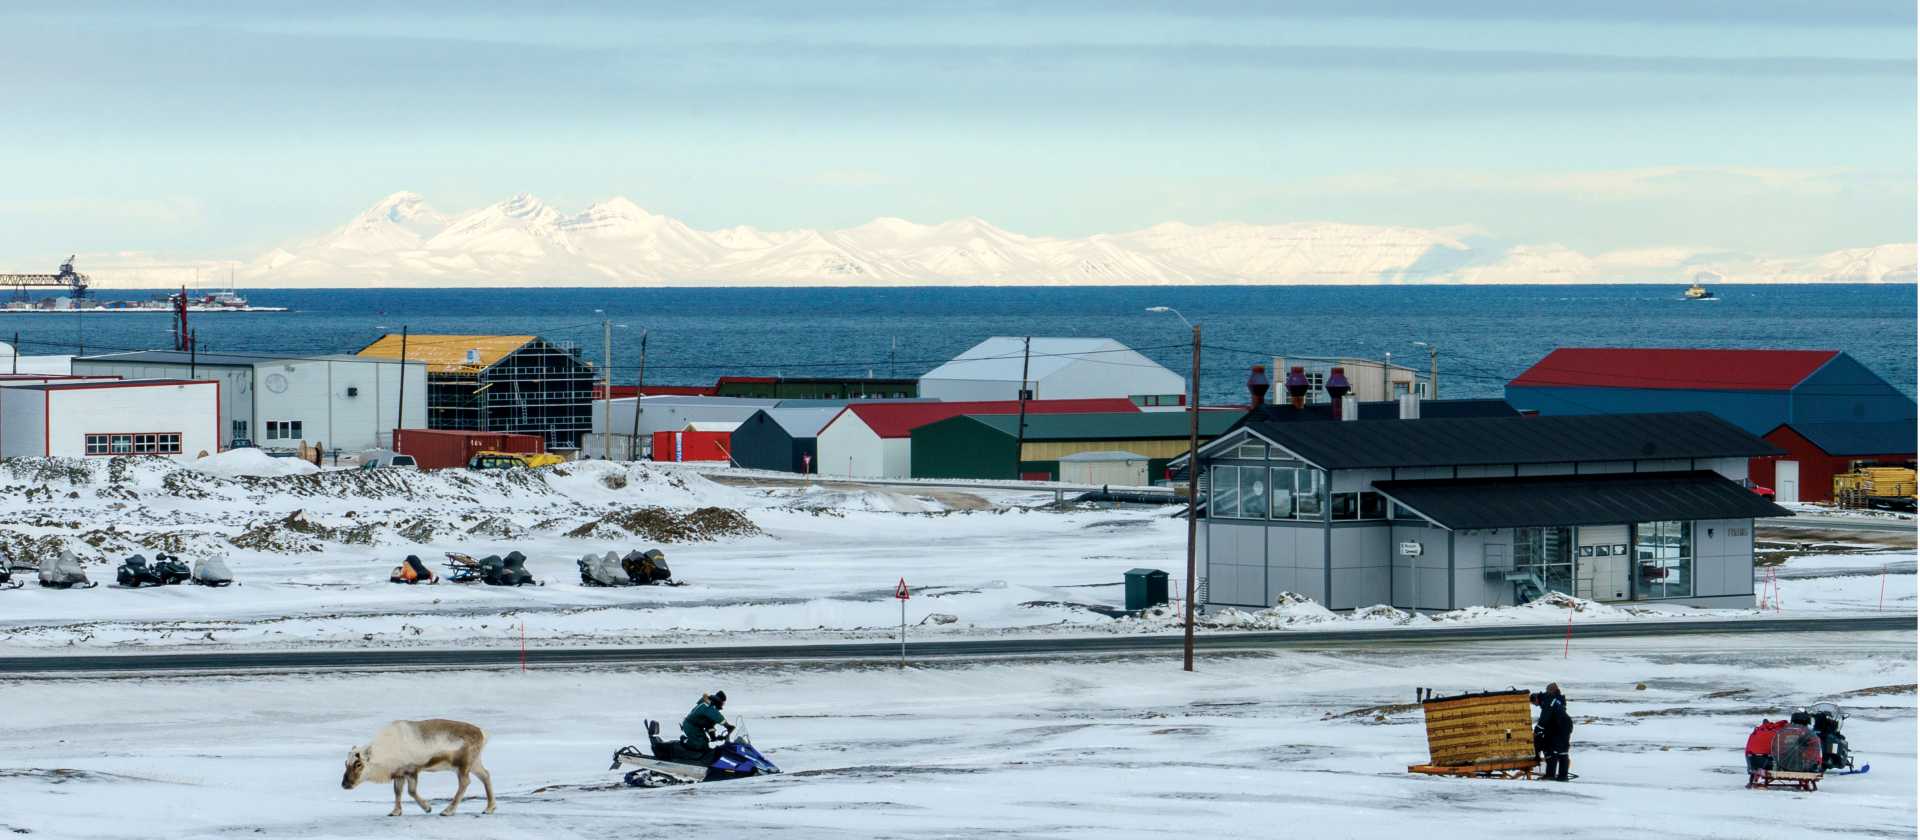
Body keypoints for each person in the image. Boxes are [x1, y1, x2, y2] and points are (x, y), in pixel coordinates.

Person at [677, 691, 732, 760]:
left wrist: (713, 737)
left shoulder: (711, 707)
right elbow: (716, 716)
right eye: (723, 702)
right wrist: (727, 725)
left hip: (697, 727)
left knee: (705, 744)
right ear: (720, 700)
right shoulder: (708, 705)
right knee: (699, 744)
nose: (723, 704)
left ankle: (700, 760)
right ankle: (684, 741)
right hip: (690, 726)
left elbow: (709, 725)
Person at [1537, 682, 1573, 781]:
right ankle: (1563, 776)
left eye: (1548, 690)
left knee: (1552, 751)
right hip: (1565, 725)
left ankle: (1550, 775)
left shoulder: (1550, 700)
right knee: (1563, 752)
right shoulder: (1559, 699)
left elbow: (1545, 717)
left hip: (1560, 727)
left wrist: (1538, 729)